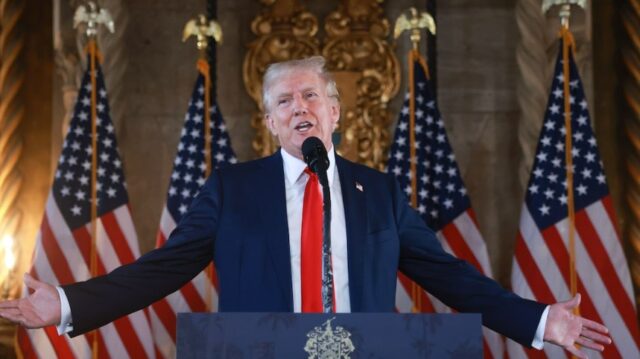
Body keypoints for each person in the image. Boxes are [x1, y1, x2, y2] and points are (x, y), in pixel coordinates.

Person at [0, 56, 610, 358]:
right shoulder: (231, 190)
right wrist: (67, 302)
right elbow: (162, 269)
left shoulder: (383, 194)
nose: (300, 107)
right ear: (270, 122)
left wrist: (537, 321)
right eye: (285, 100)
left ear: (334, 112)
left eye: (311, 95)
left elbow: (452, 278)